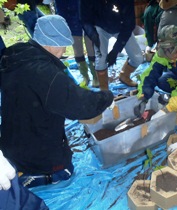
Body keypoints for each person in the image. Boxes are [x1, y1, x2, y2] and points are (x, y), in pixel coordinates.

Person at [0, 15, 114, 188]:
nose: (63, 52)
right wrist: (107, 96)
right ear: (52, 43)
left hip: (11, 140)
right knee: (65, 171)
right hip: (34, 150)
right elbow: (82, 106)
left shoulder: (14, 56)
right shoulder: (45, 74)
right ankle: (29, 177)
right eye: (63, 45)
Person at [135, 25, 177, 117]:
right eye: (165, 51)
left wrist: (174, 99)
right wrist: (144, 96)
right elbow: (150, 74)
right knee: (162, 81)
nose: (169, 55)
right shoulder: (162, 52)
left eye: (172, 50)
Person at [79, 0, 144, 90]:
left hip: (122, 27)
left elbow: (129, 25)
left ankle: (124, 75)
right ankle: (104, 90)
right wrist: (93, 35)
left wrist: (116, 49)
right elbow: (85, 20)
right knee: (101, 59)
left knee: (138, 58)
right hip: (100, 27)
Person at [55, 0, 99, 88]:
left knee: (91, 47)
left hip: (89, 16)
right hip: (70, 17)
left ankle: (96, 76)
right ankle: (85, 76)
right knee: (77, 49)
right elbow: (59, 7)